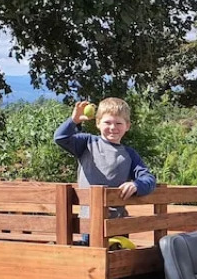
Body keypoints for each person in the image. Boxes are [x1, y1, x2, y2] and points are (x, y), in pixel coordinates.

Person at [53, 97, 156, 243]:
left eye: (118, 123)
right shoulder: (87, 143)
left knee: (117, 262)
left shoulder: (129, 154)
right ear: (98, 123)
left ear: (127, 126)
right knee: (91, 260)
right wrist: (74, 120)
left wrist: (136, 185)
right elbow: (60, 138)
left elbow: (148, 179)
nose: (113, 127)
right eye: (107, 122)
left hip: (117, 223)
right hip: (89, 221)